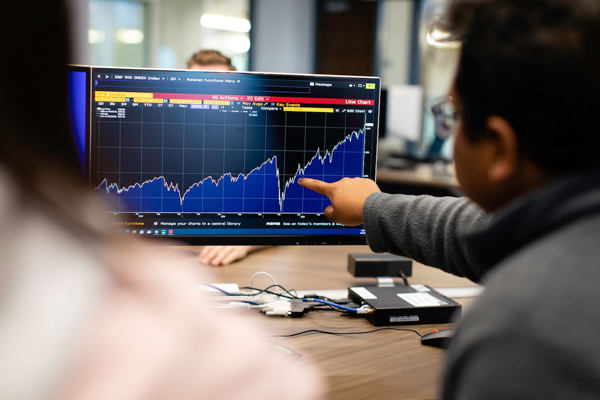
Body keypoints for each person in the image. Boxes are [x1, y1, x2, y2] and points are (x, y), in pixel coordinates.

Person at [0, 2, 324, 399]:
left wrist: (251, 238)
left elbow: (287, 212)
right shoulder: (145, 157)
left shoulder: (257, 162)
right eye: (199, 95)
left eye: (223, 96)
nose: (211, 108)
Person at [299, 0, 600, 398]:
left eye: (455, 115)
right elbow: (480, 231)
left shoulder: (525, 332)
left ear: (499, 148)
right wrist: (374, 206)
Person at [186, 49, 271, 266]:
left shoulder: (258, 144)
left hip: (233, 266)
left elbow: (283, 216)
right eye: (199, 87)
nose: (210, 97)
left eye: (220, 87)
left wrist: (246, 242)